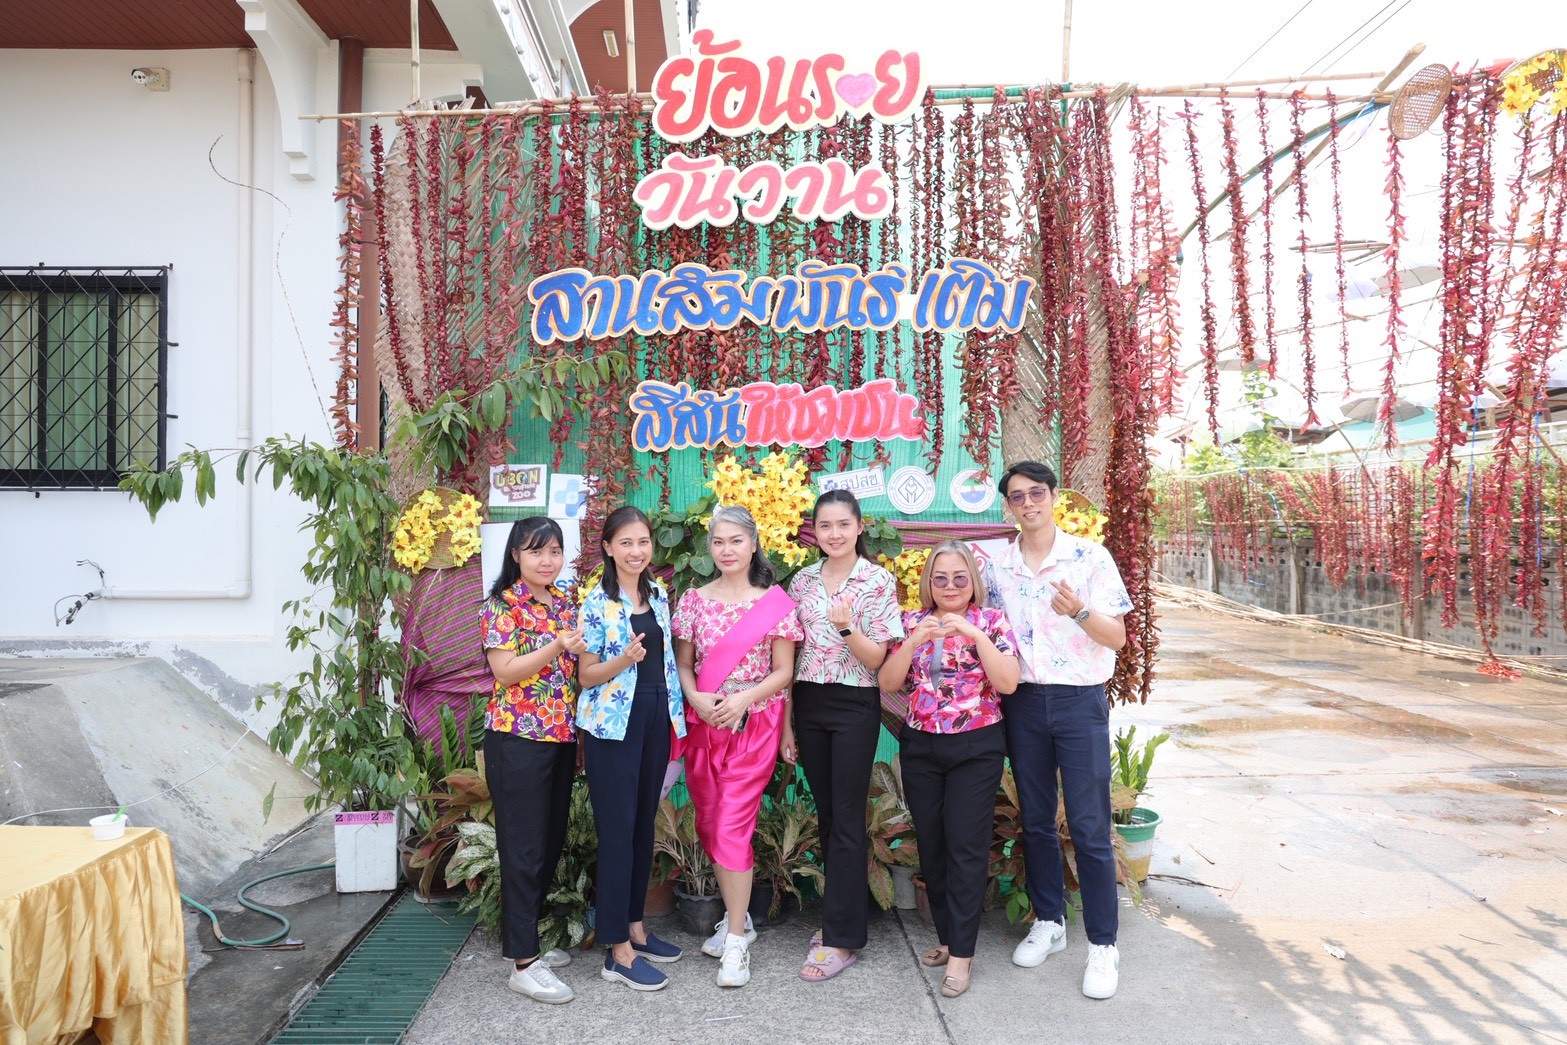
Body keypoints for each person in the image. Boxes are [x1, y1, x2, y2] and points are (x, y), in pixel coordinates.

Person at [981, 460, 1132, 1000]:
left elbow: (1117, 637)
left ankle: (1104, 945)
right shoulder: (998, 567)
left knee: (1089, 826)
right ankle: (1050, 921)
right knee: (1037, 820)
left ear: (1053, 496)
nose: (1028, 503)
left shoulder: (1090, 557)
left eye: (1037, 493)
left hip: (1079, 701)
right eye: (1017, 496)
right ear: (1008, 506)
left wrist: (1080, 611)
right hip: (1023, 701)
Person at [879, 540, 1020, 999]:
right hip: (921, 744)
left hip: (976, 745)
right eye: (940, 578)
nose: (950, 586)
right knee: (933, 844)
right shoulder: (911, 622)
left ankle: (962, 954)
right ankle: (947, 936)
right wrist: (914, 641)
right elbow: (888, 682)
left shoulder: (991, 622)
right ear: (929, 583)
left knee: (965, 846)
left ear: (973, 581)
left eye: (960, 578)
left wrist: (975, 636)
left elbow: (1008, 682)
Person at [672, 505, 803, 988]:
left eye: (736, 540)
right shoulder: (693, 601)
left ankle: (734, 943)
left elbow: (783, 672)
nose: (727, 550)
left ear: (753, 544)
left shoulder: (775, 604)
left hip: (754, 726)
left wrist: (744, 699)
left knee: (731, 826)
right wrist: (695, 698)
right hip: (705, 725)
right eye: (718, 541)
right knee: (710, 823)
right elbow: (683, 665)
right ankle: (739, 918)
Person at [783, 489, 904, 982]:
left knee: (849, 816)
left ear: (859, 527)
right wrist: (788, 722)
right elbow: (790, 656)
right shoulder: (802, 581)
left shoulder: (877, 581)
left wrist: (848, 627)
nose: (834, 534)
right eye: (825, 526)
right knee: (829, 815)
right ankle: (840, 920)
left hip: (854, 702)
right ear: (814, 531)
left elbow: (878, 659)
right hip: (809, 701)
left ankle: (841, 939)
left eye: (842, 525)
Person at [577, 506, 687, 992]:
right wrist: (623, 659)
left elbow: (666, 664)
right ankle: (617, 949)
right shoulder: (595, 603)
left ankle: (637, 928)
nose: (636, 551)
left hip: (655, 720)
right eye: (626, 543)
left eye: (643, 542)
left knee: (644, 826)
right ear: (607, 547)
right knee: (618, 833)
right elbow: (586, 675)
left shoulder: (658, 593)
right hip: (612, 728)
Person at [480, 517, 587, 1005]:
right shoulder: (502, 605)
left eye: (555, 551)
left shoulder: (565, 603)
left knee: (547, 842)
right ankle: (523, 964)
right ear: (516, 555)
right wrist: (557, 644)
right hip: (517, 738)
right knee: (522, 848)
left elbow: (573, 673)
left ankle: (528, 941)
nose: (547, 561)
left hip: (559, 737)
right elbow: (505, 672)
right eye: (536, 551)